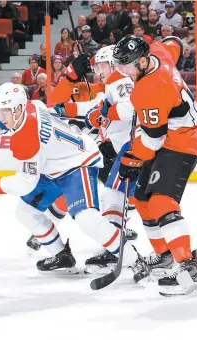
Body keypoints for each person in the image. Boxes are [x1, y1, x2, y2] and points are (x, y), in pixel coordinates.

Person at [0, 82, 139, 278]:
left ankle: (134, 260)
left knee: (86, 217)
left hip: (78, 163)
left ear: (18, 109)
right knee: (25, 212)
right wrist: (3, 121)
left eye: (4, 113)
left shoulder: (25, 138)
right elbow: (33, 113)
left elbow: (25, 182)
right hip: (53, 165)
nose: (1, 117)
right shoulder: (32, 105)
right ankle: (62, 256)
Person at [112, 35, 197, 295]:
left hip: (181, 143)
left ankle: (187, 267)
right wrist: (175, 42)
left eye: (127, 67)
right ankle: (165, 255)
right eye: (120, 66)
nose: (124, 72)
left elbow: (153, 138)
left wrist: (133, 158)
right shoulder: (158, 54)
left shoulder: (149, 88)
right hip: (167, 140)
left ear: (142, 61)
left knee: (162, 201)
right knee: (141, 198)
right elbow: (174, 43)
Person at [50, 47, 144, 279]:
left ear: (113, 64)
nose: (97, 71)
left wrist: (103, 115)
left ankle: (120, 248)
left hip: (135, 146)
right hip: (129, 146)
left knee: (119, 194)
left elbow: (129, 110)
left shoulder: (120, 80)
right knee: (116, 193)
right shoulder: (112, 84)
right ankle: (117, 239)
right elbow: (94, 107)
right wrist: (65, 109)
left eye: (101, 66)